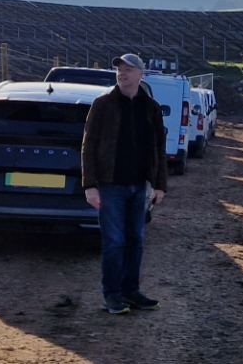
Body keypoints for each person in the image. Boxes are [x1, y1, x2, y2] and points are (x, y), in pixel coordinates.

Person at [80, 53, 169, 314]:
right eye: (119, 69)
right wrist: (90, 185)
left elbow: (159, 148)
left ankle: (131, 292)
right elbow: (88, 146)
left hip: (139, 186)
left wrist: (160, 185)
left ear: (141, 74)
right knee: (114, 242)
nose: (122, 73)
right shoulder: (102, 104)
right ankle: (112, 295)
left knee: (135, 241)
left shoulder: (151, 107)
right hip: (110, 185)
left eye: (129, 69)